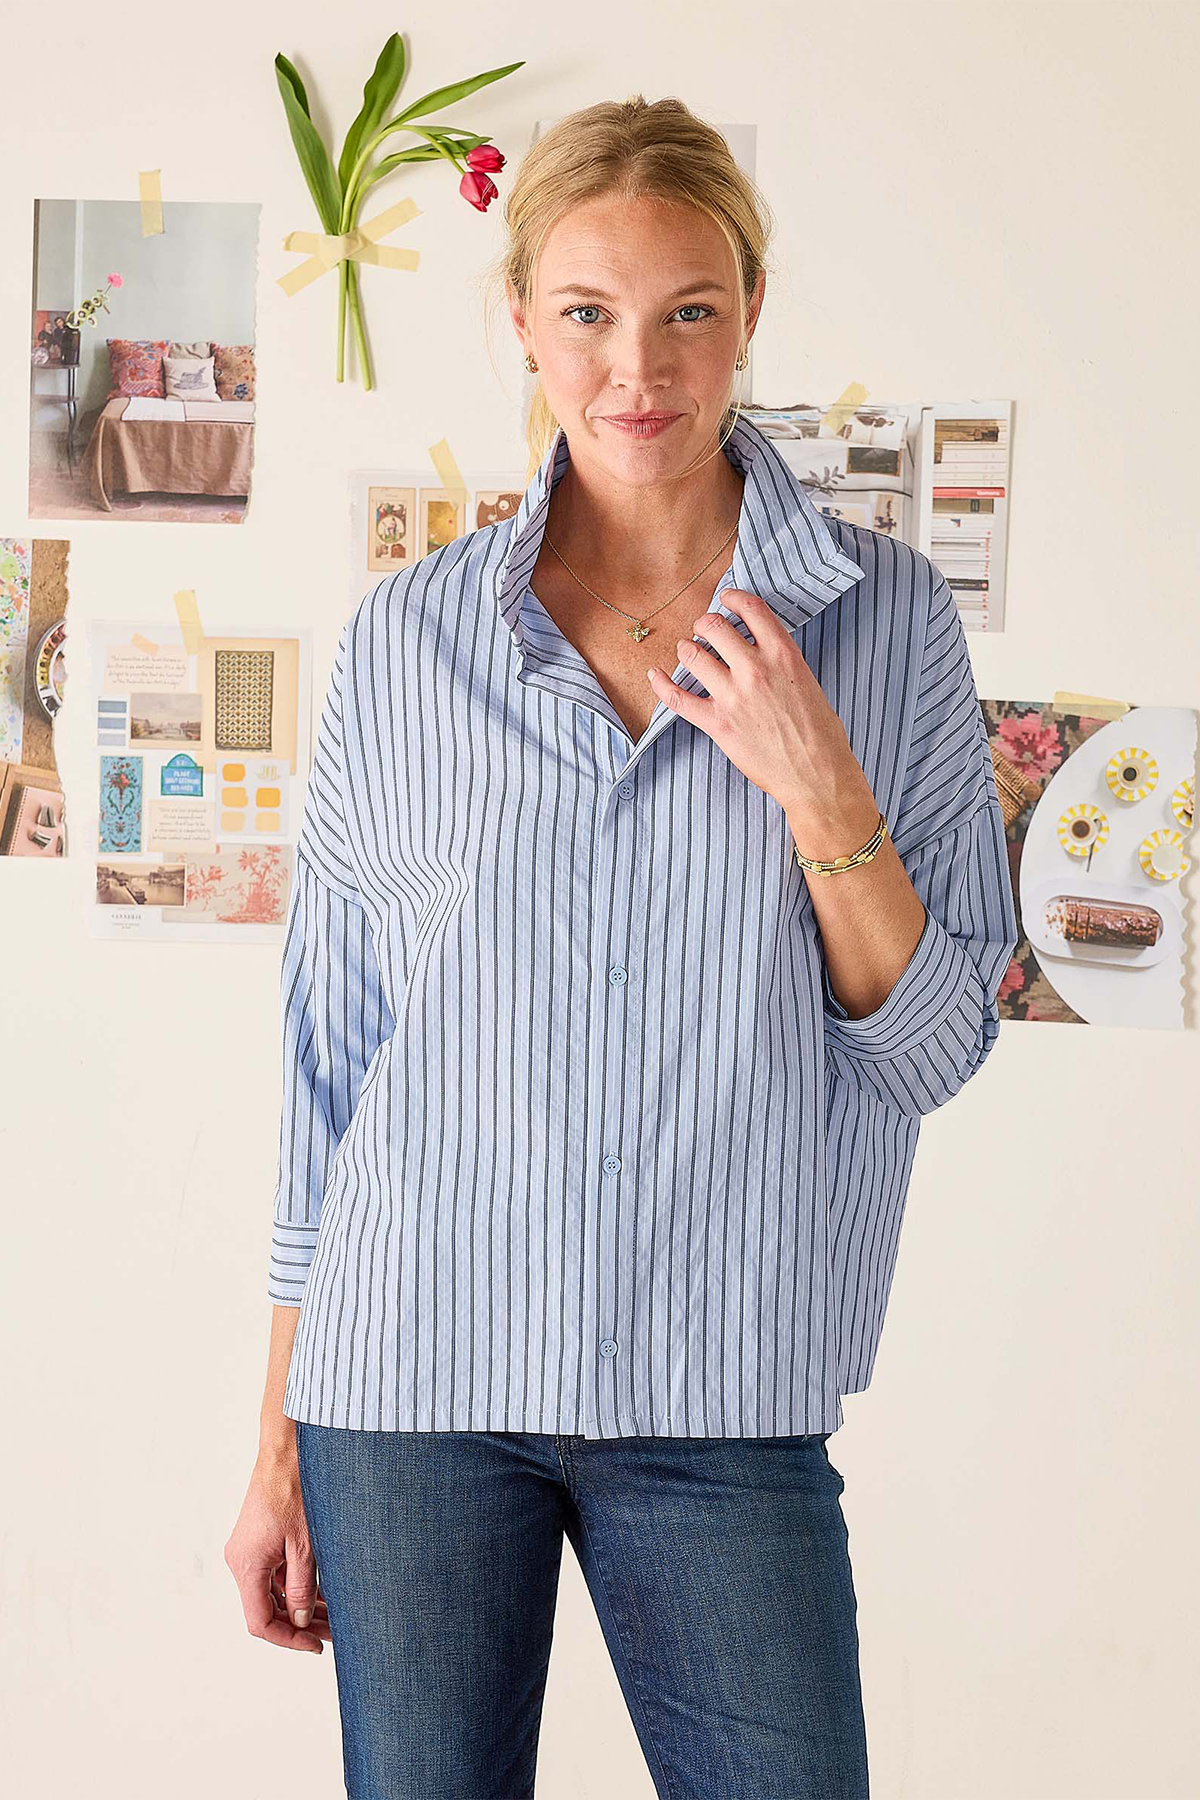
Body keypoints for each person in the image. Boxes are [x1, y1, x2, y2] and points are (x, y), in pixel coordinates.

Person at [225, 94, 1018, 1799]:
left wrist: (822, 793)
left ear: (749, 316)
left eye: (688, 311)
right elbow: (332, 1066)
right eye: (584, 312)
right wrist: (278, 1437)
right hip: (412, 1391)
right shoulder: (412, 640)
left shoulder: (885, 627)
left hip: (721, 1397)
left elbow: (941, 1044)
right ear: (521, 321)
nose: (634, 367)